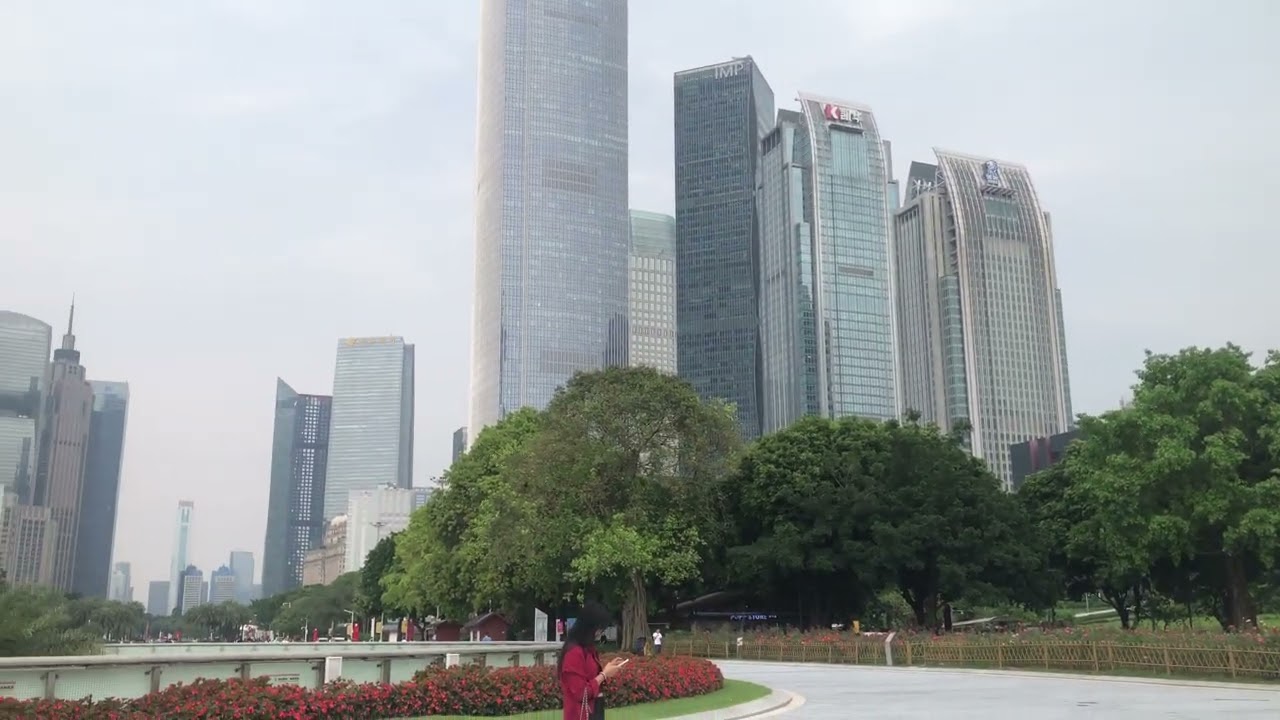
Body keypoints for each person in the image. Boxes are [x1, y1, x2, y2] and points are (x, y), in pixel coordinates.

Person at [559, 601, 626, 720]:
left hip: (595, 711)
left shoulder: (589, 649)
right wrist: (604, 675)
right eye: (599, 629)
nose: (600, 633)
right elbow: (581, 693)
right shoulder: (574, 653)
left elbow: (592, 678)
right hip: (579, 715)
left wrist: (607, 670)